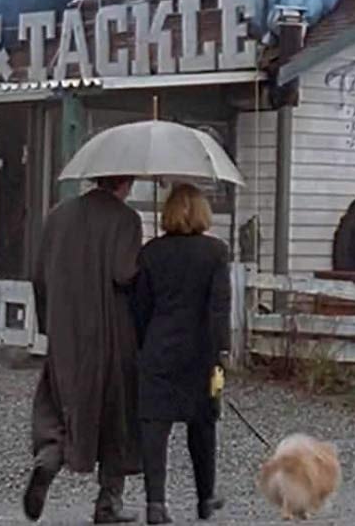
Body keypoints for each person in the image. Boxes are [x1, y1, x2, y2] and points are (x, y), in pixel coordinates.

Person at [25, 174, 145, 524]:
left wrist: (49, 324)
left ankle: (49, 457)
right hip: (111, 332)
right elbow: (123, 273)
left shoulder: (58, 215)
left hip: (66, 330)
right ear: (126, 182)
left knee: (60, 400)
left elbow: (39, 275)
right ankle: (109, 501)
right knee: (116, 413)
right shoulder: (127, 219)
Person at [131, 184, 232, 524]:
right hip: (202, 353)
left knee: (154, 428)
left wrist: (143, 344)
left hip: (158, 348)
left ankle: (155, 503)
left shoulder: (151, 253)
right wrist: (222, 351)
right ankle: (205, 498)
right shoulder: (216, 252)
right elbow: (219, 307)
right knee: (203, 425)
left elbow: (140, 307)